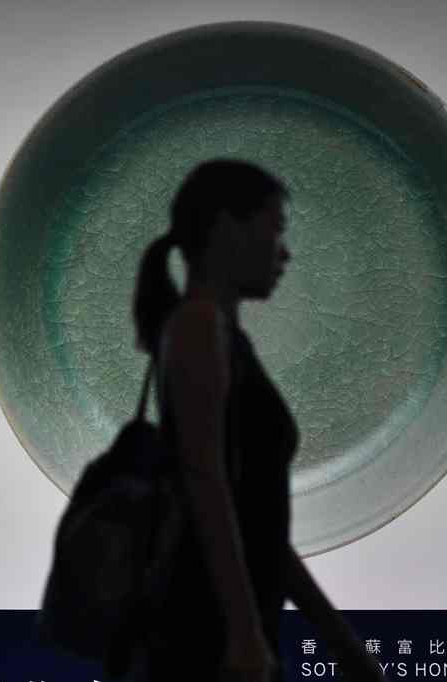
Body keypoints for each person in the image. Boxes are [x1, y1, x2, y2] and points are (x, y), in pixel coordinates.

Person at [130, 158, 386, 682]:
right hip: (206, 636)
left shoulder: (218, 334)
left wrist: (340, 642)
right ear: (228, 227)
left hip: (232, 631)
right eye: (275, 229)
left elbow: (257, 523)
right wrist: (243, 633)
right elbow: (205, 482)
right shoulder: (198, 326)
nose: (284, 252)